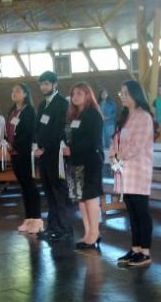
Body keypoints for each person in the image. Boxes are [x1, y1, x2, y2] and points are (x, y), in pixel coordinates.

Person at [111, 80, 155, 267]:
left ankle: (145, 251)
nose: (122, 96)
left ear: (136, 95)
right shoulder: (125, 116)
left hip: (138, 170)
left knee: (141, 211)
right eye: (121, 93)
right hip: (123, 171)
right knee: (131, 211)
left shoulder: (144, 117)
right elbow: (115, 140)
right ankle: (136, 248)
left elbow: (137, 144)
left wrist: (119, 157)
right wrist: (113, 155)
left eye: (126, 93)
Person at [35, 71, 75, 241]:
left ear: (54, 84)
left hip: (56, 154)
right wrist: (36, 145)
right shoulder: (42, 105)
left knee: (59, 192)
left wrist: (45, 148)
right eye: (41, 84)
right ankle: (52, 226)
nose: (43, 87)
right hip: (43, 155)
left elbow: (59, 130)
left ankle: (64, 228)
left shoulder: (61, 104)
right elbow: (37, 128)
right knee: (49, 192)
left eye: (46, 84)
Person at [64, 83, 104, 249]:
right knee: (81, 198)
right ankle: (88, 232)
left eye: (79, 94)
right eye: (73, 94)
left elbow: (92, 140)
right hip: (75, 161)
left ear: (88, 95)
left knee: (90, 197)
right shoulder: (74, 115)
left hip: (90, 162)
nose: (75, 97)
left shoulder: (92, 114)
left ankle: (95, 233)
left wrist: (71, 149)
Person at [9, 83, 42, 234]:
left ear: (25, 94)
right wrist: (7, 142)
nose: (14, 93)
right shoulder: (13, 111)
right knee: (23, 186)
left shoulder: (29, 111)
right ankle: (28, 218)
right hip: (14, 153)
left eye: (17, 91)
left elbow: (28, 133)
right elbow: (9, 130)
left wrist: (15, 144)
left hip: (24, 152)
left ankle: (37, 219)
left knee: (30, 185)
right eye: (13, 90)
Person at [98, 88, 117, 152]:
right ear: (100, 95)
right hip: (100, 124)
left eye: (105, 94)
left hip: (109, 124)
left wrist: (108, 117)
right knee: (101, 139)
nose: (104, 95)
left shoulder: (111, 103)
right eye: (102, 94)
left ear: (107, 94)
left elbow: (115, 113)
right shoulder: (98, 104)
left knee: (109, 140)